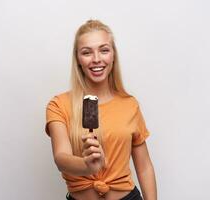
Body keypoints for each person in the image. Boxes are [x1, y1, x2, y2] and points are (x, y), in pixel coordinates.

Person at [45, 19, 157, 200]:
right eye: (87, 52)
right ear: (78, 60)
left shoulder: (129, 105)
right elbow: (61, 158)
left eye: (104, 50)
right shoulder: (59, 104)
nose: (96, 59)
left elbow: (144, 167)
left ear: (113, 55)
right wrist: (86, 165)